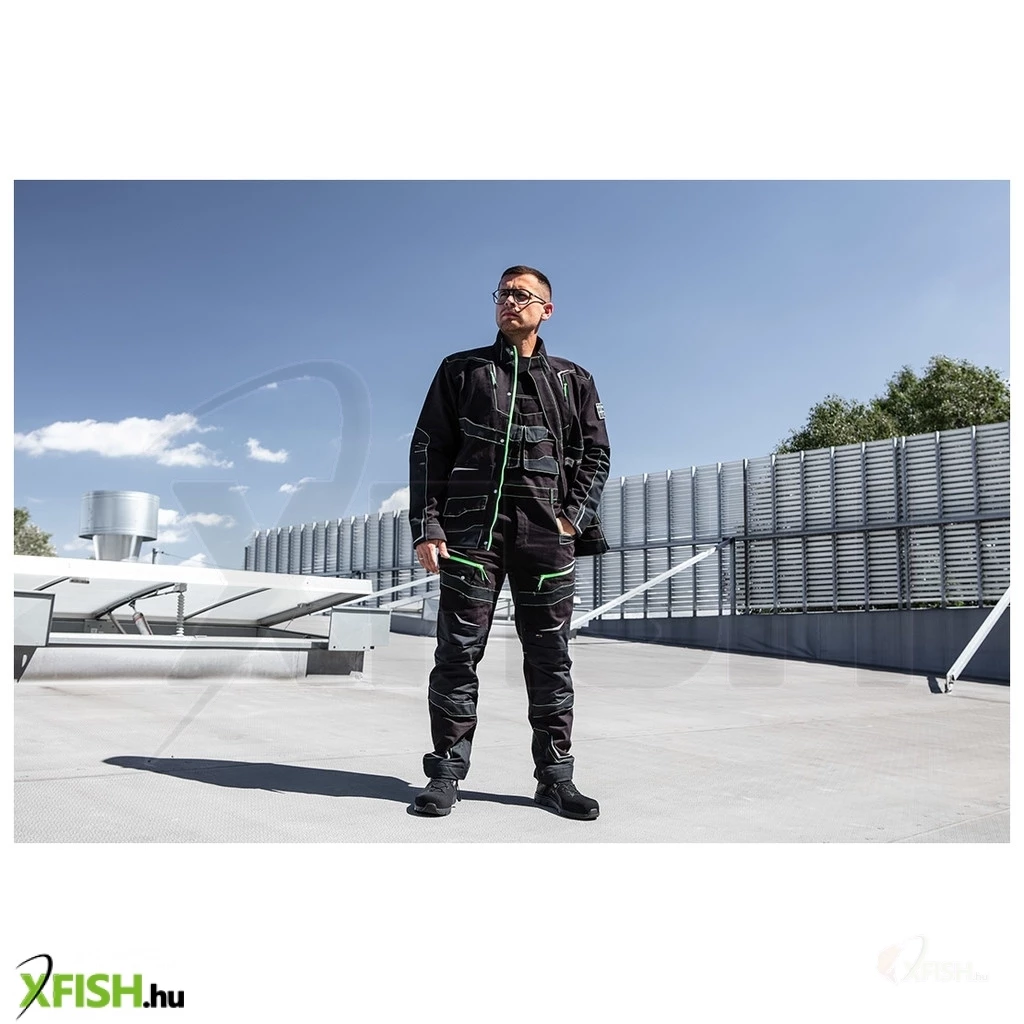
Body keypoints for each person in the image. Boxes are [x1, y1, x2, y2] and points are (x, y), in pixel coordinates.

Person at [408, 265, 611, 819]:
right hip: (472, 536)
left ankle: (556, 779)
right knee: (457, 653)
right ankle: (445, 774)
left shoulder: (573, 379)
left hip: (546, 539)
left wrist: (570, 520)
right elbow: (429, 448)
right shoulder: (461, 370)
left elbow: (597, 454)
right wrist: (429, 526)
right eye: (503, 293)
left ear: (547, 309)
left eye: (523, 295)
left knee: (551, 659)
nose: (510, 301)